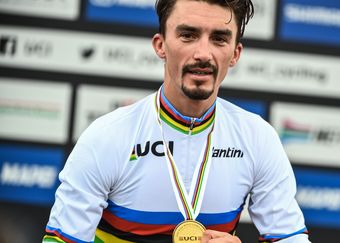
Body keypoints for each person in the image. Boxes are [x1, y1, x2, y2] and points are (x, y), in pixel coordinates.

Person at [42, 0, 311, 242]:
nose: (203, 53)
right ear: (161, 45)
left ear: (235, 53)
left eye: (219, 39)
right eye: (188, 35)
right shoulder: (108, 136)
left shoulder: (257, 138)